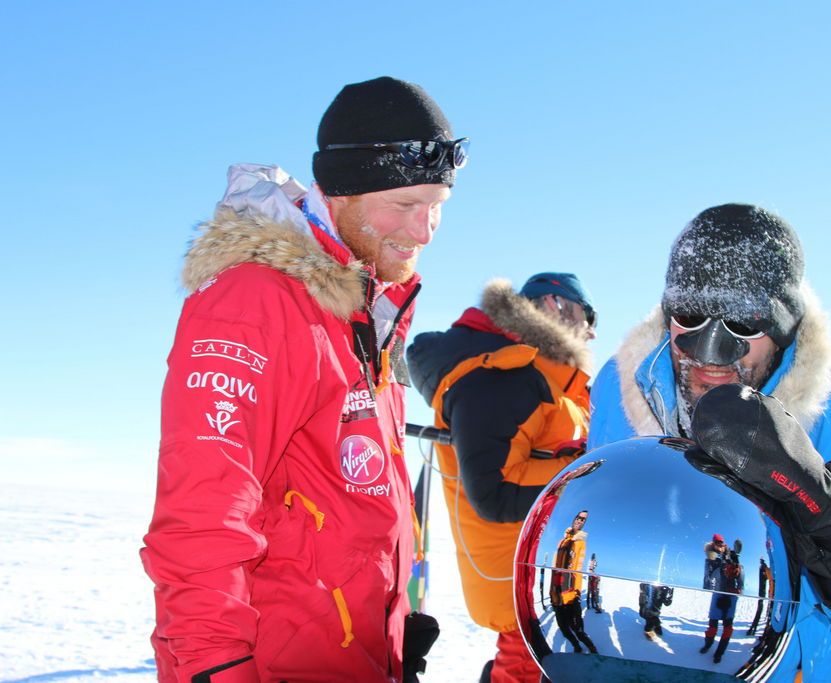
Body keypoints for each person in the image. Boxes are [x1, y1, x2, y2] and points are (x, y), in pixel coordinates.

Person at [140, 76, 466, 683]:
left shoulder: (365, 314)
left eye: (438, 207)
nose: (424, 232)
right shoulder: (255, 302)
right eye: (402, 205)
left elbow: (346, 497)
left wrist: (389, 625)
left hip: (352, 654)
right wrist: (214, 666)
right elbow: (202, 510)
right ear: (338, 193)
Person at [588, 204, 831, 681]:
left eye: (744, 323)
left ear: (783, 328)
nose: (709, 351)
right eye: (690, 316)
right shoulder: (622, 386)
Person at [407, 273, 596, 682]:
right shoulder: (502, 374)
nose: (592, 332)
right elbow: (495, 491)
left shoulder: (542, 381)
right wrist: (588, 473)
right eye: (588, 314)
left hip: (546, 580)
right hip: (524, 586)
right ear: (554, 304)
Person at [550, 511, 598, 655]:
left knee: (578, 629)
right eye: (578, 517)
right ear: (573, 518)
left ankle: (592, 649)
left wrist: (576, 592)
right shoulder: (562, 541)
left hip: (570, 595)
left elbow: (577, 568)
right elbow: (554, 566)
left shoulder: (580, 543)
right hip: (556, 593)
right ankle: (576, 646)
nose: (580, 520)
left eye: (583, 520)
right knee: (564, 629)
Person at [700, 545, 743, 664]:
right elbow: (741, 586)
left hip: (727, 598)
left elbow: (740, 584)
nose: (726, 557)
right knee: (718, 626)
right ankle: (711, 648)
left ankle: (716, 652)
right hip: (722, 597)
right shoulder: (718, 564)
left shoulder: (736, 566)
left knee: (723, 627)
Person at [746, 558, 773, 636]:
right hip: (767, 594)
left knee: (764, 610)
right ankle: (754, 628)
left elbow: (768, 579)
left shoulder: (766, 570)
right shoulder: (766, 570)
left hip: (769, 595)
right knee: (762, 609)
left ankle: (755, 629)